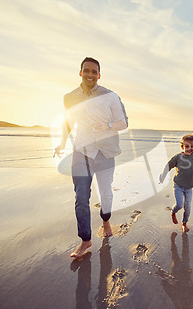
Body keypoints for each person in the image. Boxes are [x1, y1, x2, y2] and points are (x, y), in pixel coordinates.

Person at [54, 57, 128, 259]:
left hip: (105, 152)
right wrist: (62, 142)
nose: (90, 74)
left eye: (94, 71)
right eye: (86, 70)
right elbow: (67, 122)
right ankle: (85, 240)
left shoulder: (111, 96)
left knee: (106, 194)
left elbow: (124, 122)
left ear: (99, 75)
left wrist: (108, 126)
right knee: (81, 197)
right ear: (80, 72)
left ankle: (105, 220)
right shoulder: (69, 97)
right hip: (82, 152)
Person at [159, 134, 193, 233]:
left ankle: (184, 223)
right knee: (179, 204)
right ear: (182, 147)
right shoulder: (178, 157)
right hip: (178, 185)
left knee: (188, 207)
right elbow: (168, 165)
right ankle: (173, 212)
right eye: (187, 146)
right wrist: (162, 176)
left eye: (192, 146)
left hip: (189, 187)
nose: (189, 149)